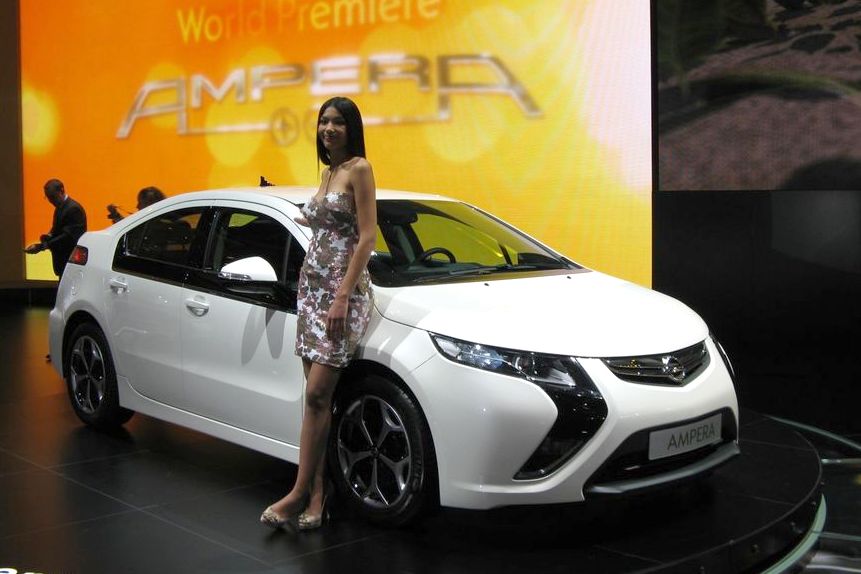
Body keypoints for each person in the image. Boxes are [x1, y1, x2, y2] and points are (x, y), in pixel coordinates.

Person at [260, 96, 376, 531]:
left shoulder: (360, 169)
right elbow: (325, 223)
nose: (328, 128)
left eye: (338, 122)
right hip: (310, 291)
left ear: (352, 128)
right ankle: (317, 495)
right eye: (324, 121)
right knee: (317, 401)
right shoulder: (327, 173)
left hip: (339, 295)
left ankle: (296, 493)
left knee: (316, 396)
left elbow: (366, 237)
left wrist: (343, 296)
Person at [25, 178, 87, 277]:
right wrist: (49, 235)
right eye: (48, 197)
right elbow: (57, 228)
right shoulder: (61, 207)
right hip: (63, 261)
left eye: (53, 197)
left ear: (61, 191)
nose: (51, 201)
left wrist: (43, 246)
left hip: (70, 261)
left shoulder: (73, 209)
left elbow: (68, 236)